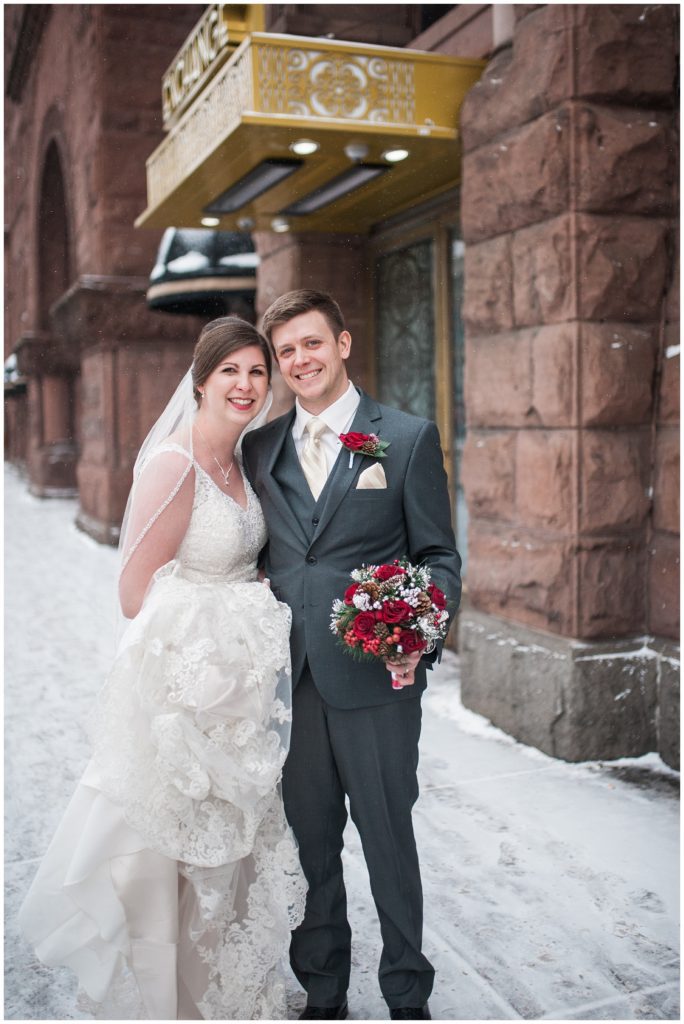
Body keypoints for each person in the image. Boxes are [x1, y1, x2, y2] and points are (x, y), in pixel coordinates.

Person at [18, 317, 307, 1020]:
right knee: (178, 862)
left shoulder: (242, 463)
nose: (245, 385)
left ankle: (221, 994)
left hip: (238, 704)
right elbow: (133, 594)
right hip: (187, 702)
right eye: (230, 371)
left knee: (230, 857)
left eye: (256, 372)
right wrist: (240, 608)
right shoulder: (174, 464)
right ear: (201, 380)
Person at [242, 290, 462, 1021]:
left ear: (342, 343)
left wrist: (415, 632)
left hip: (377, 681)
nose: (300, 360)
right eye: (286, 352)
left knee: (389, 843)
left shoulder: (401, 437)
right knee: (309, 847)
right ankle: (325, 993)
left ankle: (408, 994)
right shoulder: (260, 447)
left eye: (311, 343)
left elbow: (437, 557)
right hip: (291, 681)